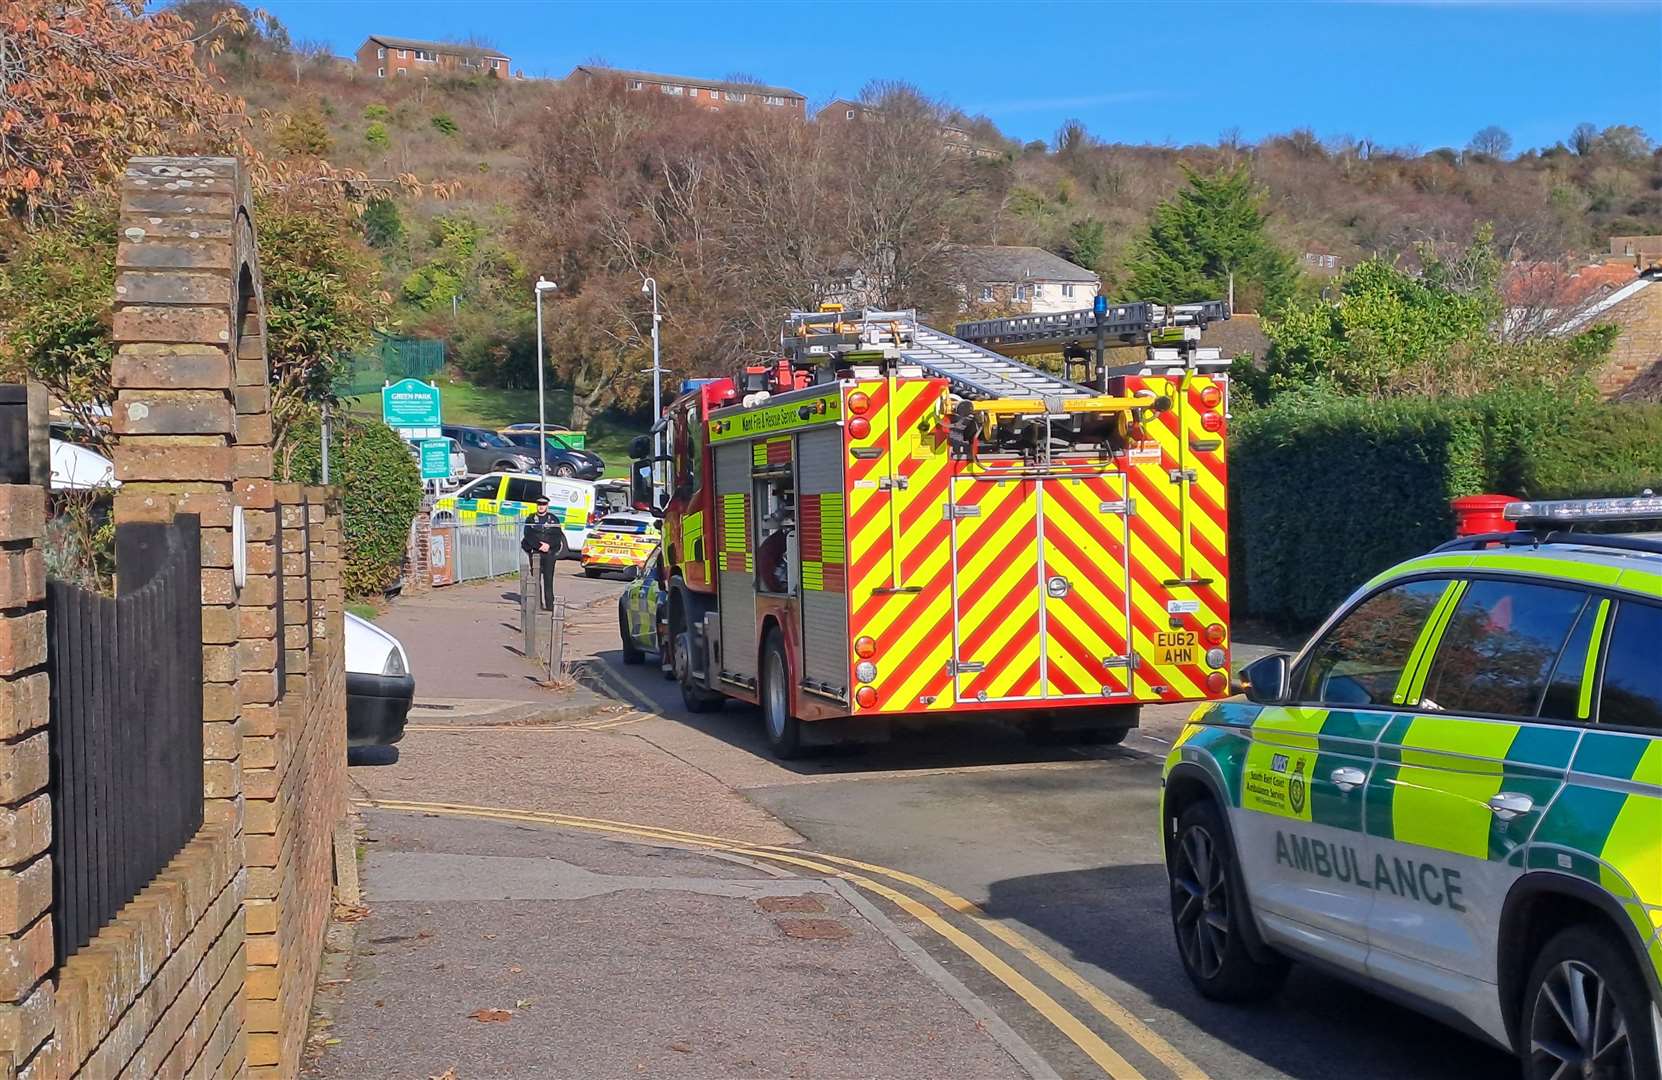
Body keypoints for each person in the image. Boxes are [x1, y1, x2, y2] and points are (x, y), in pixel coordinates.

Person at [520, 495, 561, 610]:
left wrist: (549, 545)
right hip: (535, 553)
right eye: (539, 505)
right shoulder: (531, 518)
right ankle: (537, 604)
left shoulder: (553, 519)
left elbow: (557, 535)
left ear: (547, 506)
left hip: (549, 553)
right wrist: (539, 545)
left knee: (548, 580)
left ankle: (550, 605)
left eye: (543, 505)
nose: (541, 507)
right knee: (536, 580)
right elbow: (528, 535)